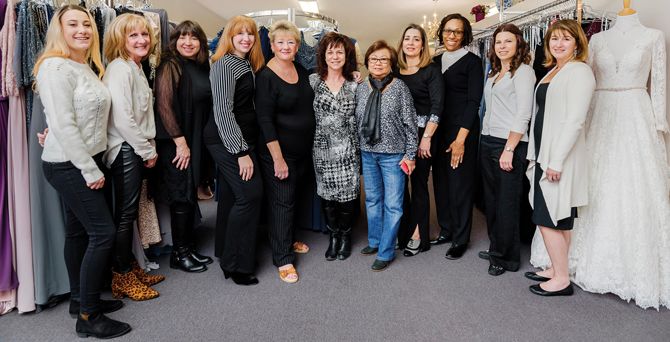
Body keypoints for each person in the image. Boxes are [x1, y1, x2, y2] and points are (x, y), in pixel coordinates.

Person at [34, 5, 130, 338]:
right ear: (58, 30)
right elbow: (63, 122)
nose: (82, 30)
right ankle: (88, 317)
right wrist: (89, 169)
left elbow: (75, 116)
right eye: (73, 24)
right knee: (102, 233)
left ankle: (79, 300)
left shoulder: (82, 65)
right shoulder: (54, 67)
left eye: (87, 24)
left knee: (78, 233)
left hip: (81, 158)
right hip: (70, 165)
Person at [525, 20, 595, 297]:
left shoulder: (579, 72)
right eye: (554, 39)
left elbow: (575, 121)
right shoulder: (554, 70)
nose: (558, 44)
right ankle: (558, 268)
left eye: (566, 39)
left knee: (547, 217)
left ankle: (561, 279)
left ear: (577, 42)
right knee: (560, 217)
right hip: (545, 151)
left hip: (558, 156)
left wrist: (556, 161)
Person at [102, 13, 164, 300]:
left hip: (134, 148)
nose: (142, 40)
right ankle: (121, 277)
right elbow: (123, 118)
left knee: (130, 214)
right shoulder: (120, 69)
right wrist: (147, 149)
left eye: (145, 35)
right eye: (133, 36)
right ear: (120, 39)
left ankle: (128, 267)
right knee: (125, 217)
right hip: (127, 150)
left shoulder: (136, 67)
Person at [255, 20, 316, 283]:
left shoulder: (300, 69)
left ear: (297, 45)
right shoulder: (266, 76)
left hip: (302, 151)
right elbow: (265, 122)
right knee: (282, 203)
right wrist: (278, 159)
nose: (285, 46)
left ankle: (288, 241)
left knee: (294, 200)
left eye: (290, 42)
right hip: (279, 153)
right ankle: (283, 260)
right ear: (271, 45)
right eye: (280, 42)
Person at [206, 15, 265, 286]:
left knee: (232, 196)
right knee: (250, 195)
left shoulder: (244, 63)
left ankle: (225, 253)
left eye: (250, 33)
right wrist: (241, 152)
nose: (246, 38)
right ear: (228, 37)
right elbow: (223, 112)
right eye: (239, 33)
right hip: (226, 140)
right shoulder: (224, 65)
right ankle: (236, 265)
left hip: (242, 139)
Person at [154, 21, 213, 273]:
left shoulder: (201, 66)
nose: (187, 42)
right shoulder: (171, 65)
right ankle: (179, 254)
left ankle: (188, 248)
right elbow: (164, 106)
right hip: (178, 142)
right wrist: (180, 142)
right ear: (174, 41)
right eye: (182, 37)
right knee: (181, 196)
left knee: (189, 196)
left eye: (193, 38)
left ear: (201, 42)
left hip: (196, 138)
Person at [478, 24, 535, 276]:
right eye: (498, 42)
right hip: (488, 140)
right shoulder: (493, 72)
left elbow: (523, 114)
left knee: (507, 203)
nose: (502, 46)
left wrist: (510, 149)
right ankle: (496, 247)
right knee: (491, 200)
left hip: (509, 144)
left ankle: (507, 258)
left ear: (518, 44)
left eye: (507, 41)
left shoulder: (524, 72)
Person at [356, 40, 417, 271]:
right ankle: (375, 241)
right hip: (368, 153)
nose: (378, 63)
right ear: (367, 62)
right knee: (372, 200)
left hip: (394, 156)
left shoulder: (400, 87)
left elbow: (410, 124)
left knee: (393, 205)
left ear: (391, 63)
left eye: (383, 59)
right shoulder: (361, 88)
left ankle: (386, 250)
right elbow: (356, 121)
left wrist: (410, 155)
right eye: (374, 59)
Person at [430, 13, 484, 260]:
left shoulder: (473, 62)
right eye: (448, 30)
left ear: (465, 35)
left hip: (462, 131)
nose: (451, 35)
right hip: (438, 131)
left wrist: (461, 139)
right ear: (441, 32)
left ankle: (461, 239)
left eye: (458, 32)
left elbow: (474, 102)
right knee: (440, 184)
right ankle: (447, 230)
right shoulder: (434, 61)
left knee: (460, 185)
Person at [309, 32, 360, 261]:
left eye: (339, 51)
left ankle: (346, 236)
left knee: (348, 196)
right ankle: (334, 236)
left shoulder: (355, 83)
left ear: (346, 55)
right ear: (323, 55)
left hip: (348, 148)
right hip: (322, 149)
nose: (335, 55)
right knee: (328, 198)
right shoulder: (312, 81)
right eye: (330, 51)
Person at [394, 24, 444, 257]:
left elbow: (437, 106)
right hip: (397, 137)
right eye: (407, 38)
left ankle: (418, 235)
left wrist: (426, 139)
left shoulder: (431, 70)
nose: (411, 43)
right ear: (401, 42)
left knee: (419, 186)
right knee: (399, 186)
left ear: (423, 44)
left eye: (416, 39)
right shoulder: (394, 70)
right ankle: (401, 232)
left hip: (424, 135)